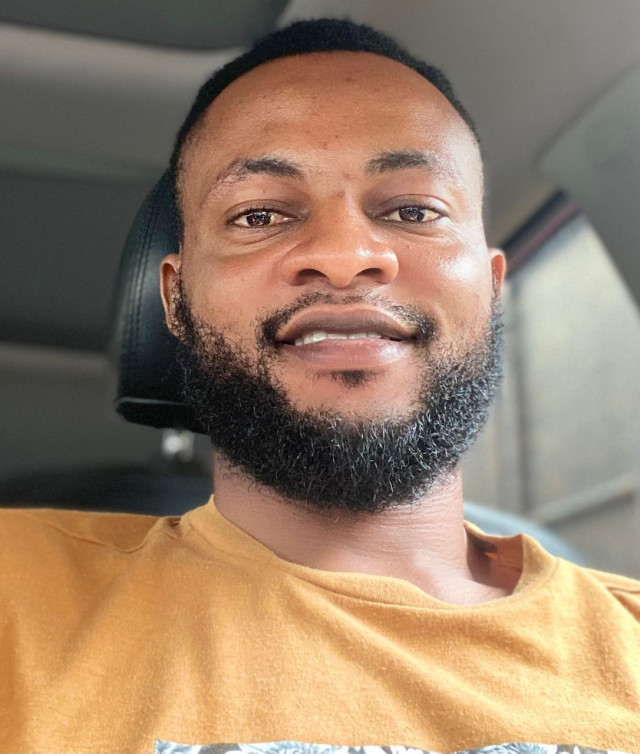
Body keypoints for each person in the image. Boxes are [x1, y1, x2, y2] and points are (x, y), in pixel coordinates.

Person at [1, 18, 638, 754]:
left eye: (412, 210)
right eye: (261, 214)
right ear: (175, 300)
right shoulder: (21, 597)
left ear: (494, 292)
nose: (344, 256)